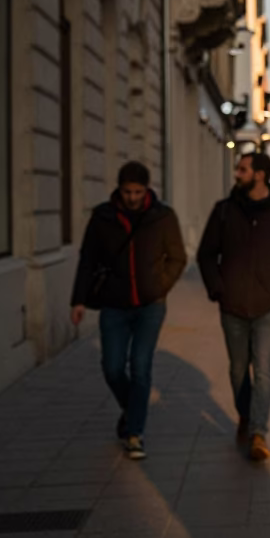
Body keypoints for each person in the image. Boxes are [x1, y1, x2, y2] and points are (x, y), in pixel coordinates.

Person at [70, 161, 186, 460]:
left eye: (137, 191)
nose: (132, 197)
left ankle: (135, 433)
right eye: (127, 191)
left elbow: (177, 258)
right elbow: (88, 260)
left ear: (146, 189)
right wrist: (78, 300)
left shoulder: (162, 216)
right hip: (114, 305)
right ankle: (132, 409)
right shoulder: (103, 217)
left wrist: (160, 286)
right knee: (111, 367)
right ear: (119, 189)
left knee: (140, 365)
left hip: (151, 305)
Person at [197, 152, 270, 461]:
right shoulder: (224, 211)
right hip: (232, 304)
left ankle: (259, 432)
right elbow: (206, 254)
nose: (237, 173)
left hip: (269, 304)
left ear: (259, 175)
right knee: (236, 370)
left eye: (243, 169)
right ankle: (246, 414)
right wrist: (217, 288)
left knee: (263, 369)